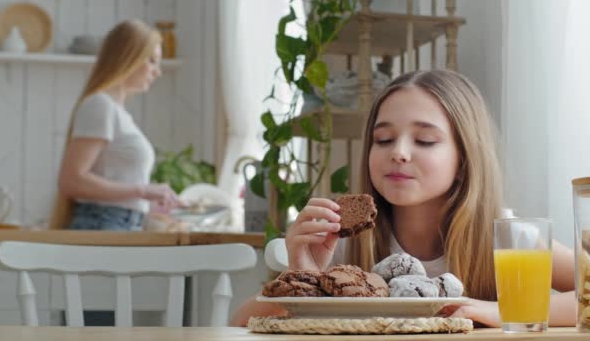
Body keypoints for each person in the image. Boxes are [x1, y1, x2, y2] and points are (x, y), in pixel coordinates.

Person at [231, 70, 575, 327]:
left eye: (424, 140)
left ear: (463, 161)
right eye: (383, 140)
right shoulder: (342, 244)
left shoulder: (504, 236)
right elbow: (238, 323)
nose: (399, 152)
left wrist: (504, 311)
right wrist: (307, 283)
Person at [49, 20, 182, 231]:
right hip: (104, 224)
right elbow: (71, 181)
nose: (157, 72)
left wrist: (147, 198)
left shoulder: (116, 112)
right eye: (152, 61)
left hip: (119, 223)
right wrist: (142, 191)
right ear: (128, 57)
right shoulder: (100, 106)